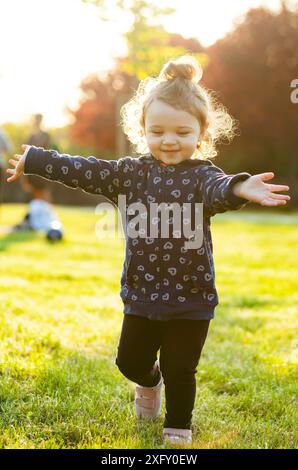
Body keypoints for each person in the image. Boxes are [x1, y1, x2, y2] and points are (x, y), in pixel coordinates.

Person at [6, 56, 290, 447]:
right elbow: (85, 170)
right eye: (157, 131)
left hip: (191, 297)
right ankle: (149, 383)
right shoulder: (130, 174)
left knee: (180, 367)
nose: (169, 140)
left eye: (181, 131)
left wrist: (239, 188)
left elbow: (219, 189)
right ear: (142, 130)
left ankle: (178, 426)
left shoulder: (202, 175)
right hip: (141, 294)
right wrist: (38, 159)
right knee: (130, 362)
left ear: (201, 135)